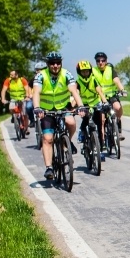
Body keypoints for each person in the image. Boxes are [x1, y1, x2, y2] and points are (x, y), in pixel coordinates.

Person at [32, 52, 87, 180]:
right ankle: (49, 168)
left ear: (61, 63)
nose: (55, 65)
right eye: (52, 63)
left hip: (63, 107)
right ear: (47, 64)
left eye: (58, 63)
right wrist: (37, 108)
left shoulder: (66, 74)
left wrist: (81, 106)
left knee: (71, 123)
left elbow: (74, 91)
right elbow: (36, 93)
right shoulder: (41, 76)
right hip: (46, 110)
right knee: (48, 138)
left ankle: (67, 141)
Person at [75, 60, 109, 162]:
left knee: (99, 125)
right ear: (79, 72)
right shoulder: (78, 82)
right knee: (86, 118)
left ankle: (101, 150)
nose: (85, 73)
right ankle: (82, 131)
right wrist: (75, 106)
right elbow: (76, 94)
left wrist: (105, 102)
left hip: (95, 103)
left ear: (90, 71)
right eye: (83, 71)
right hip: (84, 104)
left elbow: (100, 92)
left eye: (87, 71)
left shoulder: (94, 80)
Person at [92, 51, 127, 140]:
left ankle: (118, 129)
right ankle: (102, 140)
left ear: (106, 61)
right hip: (99, 97)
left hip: (111, 96)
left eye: (103, 60)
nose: (100, 62)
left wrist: (122, 90)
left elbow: (116, 81)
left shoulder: (110, 69)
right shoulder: (93, 71)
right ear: (96, 62)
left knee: (118, 108)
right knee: (102, 120)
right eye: (98, 60)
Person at [0, 69, 32, 134]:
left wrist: (27, 96)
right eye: (10, 74)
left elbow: (27, 89)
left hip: (22, 98)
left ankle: (26, 128)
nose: (10, 76)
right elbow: (3, 90)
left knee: (25, 113)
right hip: (13, 98)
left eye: (12, 75)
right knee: (11, 108)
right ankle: (14, 117)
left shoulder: (22, 80)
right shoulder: (8, 80)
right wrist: (3, 99)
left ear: (16, 75)